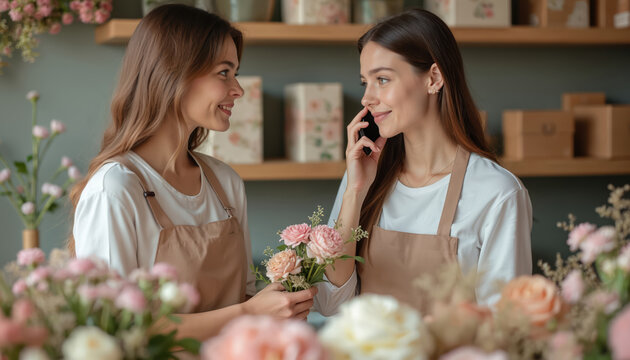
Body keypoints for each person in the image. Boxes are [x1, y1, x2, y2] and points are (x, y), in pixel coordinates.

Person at [69, 4, 316, 340]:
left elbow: (242, 298)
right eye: (223, 73)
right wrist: (247, 312)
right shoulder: (115, 189)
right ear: (175, 73)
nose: (238, 90)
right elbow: (114, 327)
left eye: (236, 73)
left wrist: (277, 306)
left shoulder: (225, 182)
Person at [313, 9, 532, 316]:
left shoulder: (497, 192)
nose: (367, 98)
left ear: (433, 78)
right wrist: (354, 191)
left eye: (383, 79)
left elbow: (506, 325)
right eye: (365, 82)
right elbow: (329, 302)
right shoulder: (362, 177)